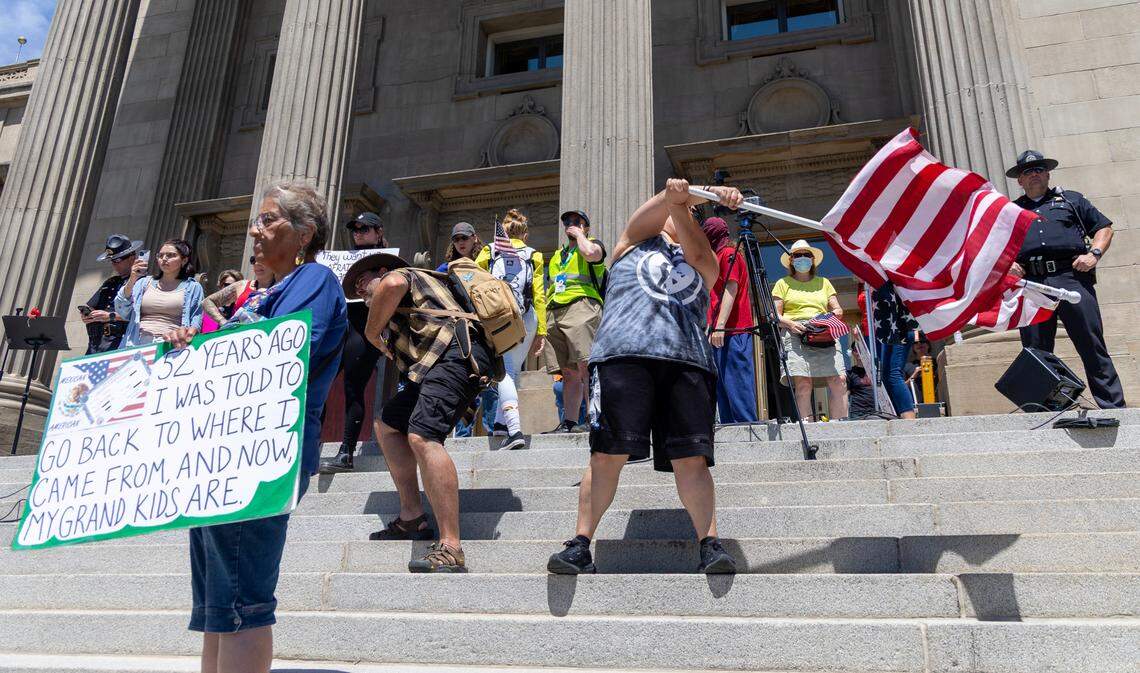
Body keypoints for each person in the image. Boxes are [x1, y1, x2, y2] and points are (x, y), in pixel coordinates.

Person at [165, 180, 348, 673]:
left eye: (268, 220)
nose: (254, 230)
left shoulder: (314, 281)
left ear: (305, 233)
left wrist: (213, 343)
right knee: (218, 608)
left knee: (243, 603)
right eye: (255, 221)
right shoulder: (264, 292)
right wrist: (187, 342)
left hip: (263, 457)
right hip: (219, 455)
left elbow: (285, 349)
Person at [547, 179, 742, 576]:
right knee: (606, 455)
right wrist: (690, 194)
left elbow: (698, 249)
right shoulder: (630, 243)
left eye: (689, 213)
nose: (677, 214)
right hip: (623, 355)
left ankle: (710, 544)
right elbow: (646, 215)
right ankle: (581, 544)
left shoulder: (704, 258)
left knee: (692, 458)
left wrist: (685, 204)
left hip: (685, 359)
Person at [361, 253, 500, 572]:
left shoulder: (400, 277)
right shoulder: (405, 308)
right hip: (434, 366)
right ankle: (411, 517)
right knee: (388, 424)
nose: (361, 292)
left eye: (362, 282)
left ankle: (451, 546)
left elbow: (393, 283)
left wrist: (372, 334)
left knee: (423, 435)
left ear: (380, 272)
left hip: (456, 353)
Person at [1006, 150, 1126, 409]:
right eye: (1028, 171)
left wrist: (1094, 254)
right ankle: (1041, 409)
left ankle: (1113, 407)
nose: (1034, 174)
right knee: (1036, 351)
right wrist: (1007, 264)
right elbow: (995, 247)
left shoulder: (1071, 200)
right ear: (1020, 180)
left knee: (1091, 344)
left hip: (1070, 278)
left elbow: (1104, 228)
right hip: (1033, 286)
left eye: (1039, 169)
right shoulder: (1012, 211)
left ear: (1048, 174)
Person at [320, 212, 393, 473]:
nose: (359, 233)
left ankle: (346, 452)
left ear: (378, 232)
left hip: (365, 330)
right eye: (355, 229)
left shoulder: (387, 262)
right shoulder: (341, 259)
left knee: (353, 388)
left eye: (365, 229)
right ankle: (312, 446)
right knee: (318, 385)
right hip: (339, 327)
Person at [475, 209, 547, 450]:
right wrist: (542, 332)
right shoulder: (534, 255)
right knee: (512, 369)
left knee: (504, 371)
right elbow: (539, 295)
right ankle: (501, 425)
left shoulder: (489, 251)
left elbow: (472, 277)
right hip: (527, 317)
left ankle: (515, 431)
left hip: (498, 316)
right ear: (524, 234)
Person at [771, 240, 847, 421]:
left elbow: (838, 310)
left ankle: (839, 426)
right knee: (803, 384)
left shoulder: (824, 283)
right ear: (791, 261)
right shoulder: (782, 283)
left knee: (839, 380)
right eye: (798, 255)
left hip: (823, 331)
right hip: (796, 333)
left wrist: (834, 313)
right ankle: (808, 427)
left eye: (806, 255)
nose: (802, 258)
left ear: (813, 259)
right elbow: (775, 316)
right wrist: (790, 324)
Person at [544, 209, 606, 433]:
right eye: (567, 222)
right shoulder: (557, 256)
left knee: (586, 364)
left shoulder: (591, 243)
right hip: (556, 311)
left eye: (576, 221)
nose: (570, 224)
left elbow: (592, 254)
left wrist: (581, 235)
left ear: (586, 227)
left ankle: (593, 416)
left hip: (582, 307)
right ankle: (569, 421)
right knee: (568, 371)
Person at [437, 221, 497, 437]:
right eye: (456, 239)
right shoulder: (445, 268)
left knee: (491, 381)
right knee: (464, 381)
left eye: (464, 238)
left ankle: (492, 431)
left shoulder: (486, 265)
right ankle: (462, 434)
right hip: (458, 330)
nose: (461, 242)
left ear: (474, 239)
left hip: (484, 328)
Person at [701, 216, 757, 423]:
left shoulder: (728, 254)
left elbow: (730, 288)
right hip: (720, 331)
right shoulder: (717, 257)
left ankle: (748, 429)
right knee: (723, 388)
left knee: (737, 386)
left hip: (733, 331)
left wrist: (720, 326)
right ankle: (731, 430)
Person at [114, 238, 204, 348]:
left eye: (170, 255)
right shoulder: (143, 283)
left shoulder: (193, 287)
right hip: (135, 343)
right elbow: (122, 310)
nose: (164, 259)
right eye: (160, 256)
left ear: (184, 260)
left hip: (171, 345)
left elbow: (195, 322)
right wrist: (132, 279)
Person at [857, 282, 918, 419]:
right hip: (881, 332)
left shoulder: (885, 275)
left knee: (893, 373)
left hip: (897, 328)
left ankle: (909, 418)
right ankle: (896, 414)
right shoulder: (864, 284)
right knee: (884, 376)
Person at [81, 234, 141, 353]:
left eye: (118, 260)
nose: (114, 264)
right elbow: (93, 306)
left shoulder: (143, 282)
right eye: (111, 260)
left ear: (132, 257)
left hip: (122, 342)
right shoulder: (111, 282)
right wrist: (88, 316)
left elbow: (142, 315)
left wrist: (110, 316)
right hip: (97, 341)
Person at [201, 258, 272, 327]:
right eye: (253, 260)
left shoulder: (281, 287)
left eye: (262, 259)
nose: (256, 263)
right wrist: (223, 322)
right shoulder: (242, 285)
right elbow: (207, 302)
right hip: (240, 336)